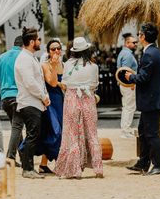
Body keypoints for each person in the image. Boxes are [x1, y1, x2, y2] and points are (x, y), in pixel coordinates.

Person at [125, 22, 160, 175]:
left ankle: (159, 165)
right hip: (153, 99)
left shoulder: (149, 54)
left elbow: (144, 77)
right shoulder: (156, 52)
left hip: (151, 100)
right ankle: (143, 162)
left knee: (151, 133)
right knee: (143, 131)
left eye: (139, 35)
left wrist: (131, 77)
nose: (138, 37)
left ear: (143, 36)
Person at [55, 37, 103, 179]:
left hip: (72, 99)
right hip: (88, 98)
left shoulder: (68, 65)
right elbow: (94, 84)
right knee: (92, 133)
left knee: (72, 134)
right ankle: (98, 168)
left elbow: (64, 83)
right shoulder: (93, 66)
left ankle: (75, 170)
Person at [14, 27, 50, 179]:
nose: (39, 41)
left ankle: (29, 167)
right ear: (31, 42)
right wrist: (43, 96)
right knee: (32, 135)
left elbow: (38, 80)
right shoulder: (24, 59)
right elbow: (30, 82)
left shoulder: (30, 57)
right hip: (29, 102)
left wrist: (44, 95)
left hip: (35, 101)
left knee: (34, 135)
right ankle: (27, 168)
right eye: (38, 39)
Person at [0, 36, 23, 166]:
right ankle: (10, 157)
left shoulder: (2, 57)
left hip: (5, 96)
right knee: (17, 127)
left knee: (16, 126)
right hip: (18, 96)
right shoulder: (24, 56)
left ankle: (22, 156)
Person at [38, 38, 64, 174]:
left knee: (59, 132)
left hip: (61, 101)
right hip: (50, 101)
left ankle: (44, 165)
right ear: (48, 51)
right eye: (53, 49)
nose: (56, 51)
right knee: (54, 130)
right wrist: (53, 66)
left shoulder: (63, 64)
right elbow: (53, 83)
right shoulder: (45, 64)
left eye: (58, 48)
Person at [117, 33, 138, 139]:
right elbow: (125, 71)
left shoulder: (124, 53)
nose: (136, 44)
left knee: (127, 107)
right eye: (134, 42)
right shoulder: (128, 55)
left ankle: (125, 129)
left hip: (125, 84)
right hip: (128, 84)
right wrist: (132, 83)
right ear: (127, 43)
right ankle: (126, 130)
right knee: (129, 107)